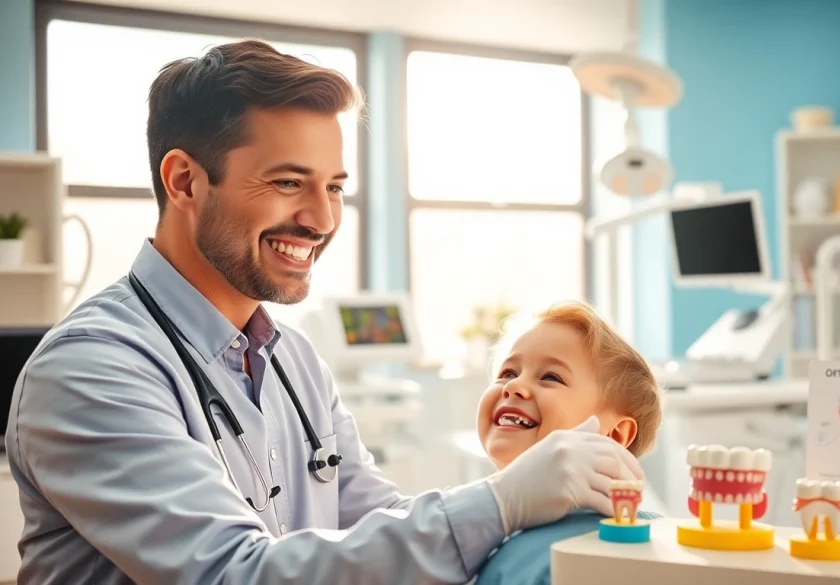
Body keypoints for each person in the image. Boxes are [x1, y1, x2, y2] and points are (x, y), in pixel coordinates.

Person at [2, 39, 644, 585]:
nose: (321, 219)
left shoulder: (292, 359)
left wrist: (523, 505)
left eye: (333, 187)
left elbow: (373, 522)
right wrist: (501, 503)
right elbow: (234, 574)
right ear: (184, 181)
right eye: (288, 183)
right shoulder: (91, 370)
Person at [472, 301, 664, 585]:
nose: (512, 386)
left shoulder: (597, 558)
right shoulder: (479, 530)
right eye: (508, 373)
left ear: (614, 436)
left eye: (551, 377)